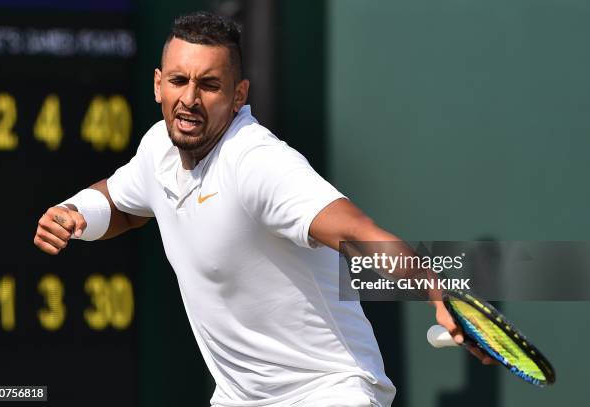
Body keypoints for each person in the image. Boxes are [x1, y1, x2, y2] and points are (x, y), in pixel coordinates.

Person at [33, 11, 490, 407]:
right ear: (159, 85)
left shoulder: (258, 164)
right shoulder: (158, 148)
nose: (190, 99)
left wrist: (437, 293)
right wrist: (75, 214)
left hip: (329, 392)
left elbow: (357, 232)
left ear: (239, 95)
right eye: (179, 81)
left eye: (209, 85)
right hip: (239, 398)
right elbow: (126, 205)